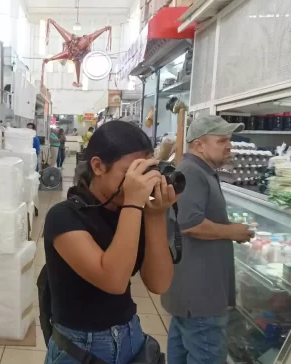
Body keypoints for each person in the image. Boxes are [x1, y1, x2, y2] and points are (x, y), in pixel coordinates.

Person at [42, 121, 176, 364]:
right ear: (98, 166)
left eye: (144, 172)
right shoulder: (64, 216)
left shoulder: (131, 212)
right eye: (130, 173)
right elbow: (113, 280)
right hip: (79, 347)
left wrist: (155, 216)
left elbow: (159, 283)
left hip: (131, 337)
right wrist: (135, 204)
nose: (138, 182)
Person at [161, 115, 254, 364]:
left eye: (229, 140)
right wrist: (231, 231)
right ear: (199, 144)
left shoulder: (202, 171)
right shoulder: (191, 172)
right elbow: (190, 224)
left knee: (182, 353)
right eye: (221, 140)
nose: (229, 145)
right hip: (200, 295)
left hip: (193, 292)